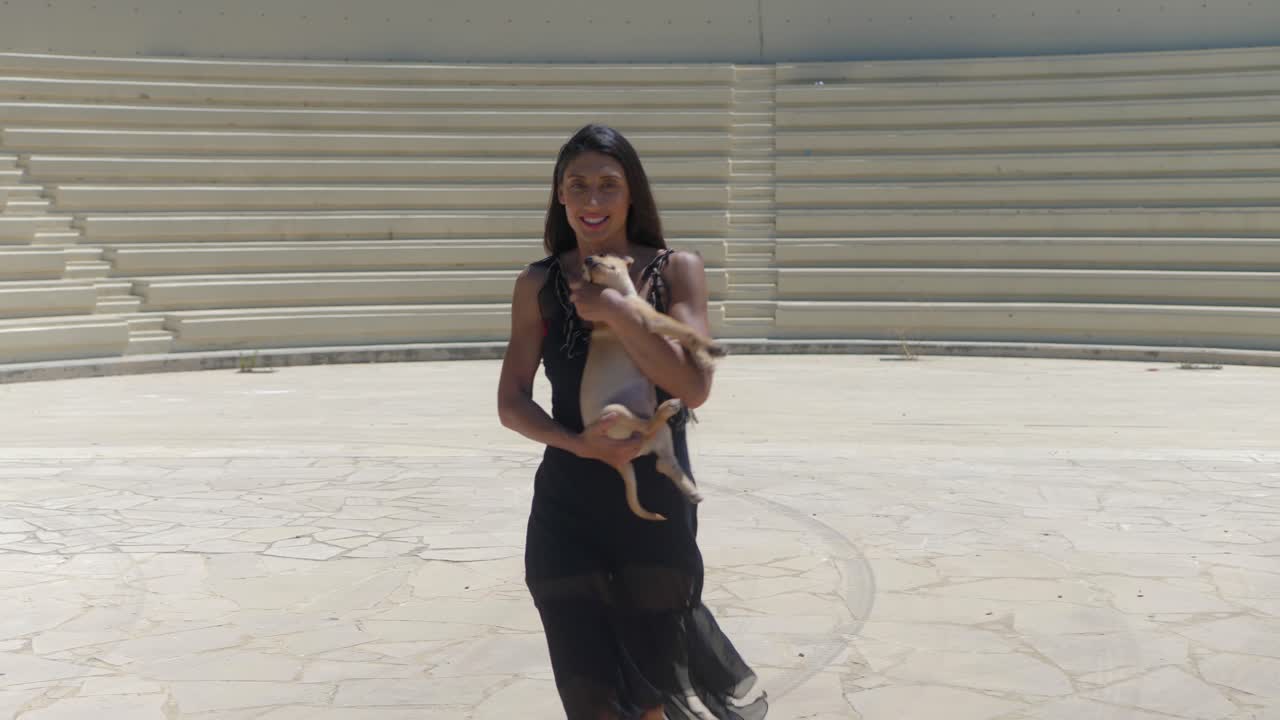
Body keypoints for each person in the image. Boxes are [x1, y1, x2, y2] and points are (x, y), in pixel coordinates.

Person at [497, 124, 769, 720]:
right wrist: (575, 443)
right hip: (567, 504)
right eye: (579, 187)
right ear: (560, 196)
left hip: (655, 506)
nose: (593, 201)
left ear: (631, 194)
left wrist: (622, 311)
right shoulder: (537, 284)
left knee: (656, 693)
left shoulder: (676, 272)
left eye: (608, 186)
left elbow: (693, 386)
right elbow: (511, 400)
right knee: (587, 687)